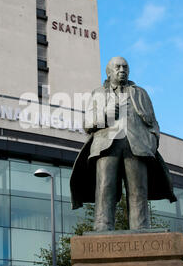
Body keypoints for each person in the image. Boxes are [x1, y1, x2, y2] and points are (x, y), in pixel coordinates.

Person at [70, 56, 176, 231]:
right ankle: (103, 226)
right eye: (118, 67)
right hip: (106, 146)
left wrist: (152, 141)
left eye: (125, 67)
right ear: (109, 71)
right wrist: (105, 114)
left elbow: (154, 124)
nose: (122, 70)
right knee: (105, 186)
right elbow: (87, 123)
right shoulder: (98, 93)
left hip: (136, 146)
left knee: (138, 189)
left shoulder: (140, 93)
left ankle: (140, 227)